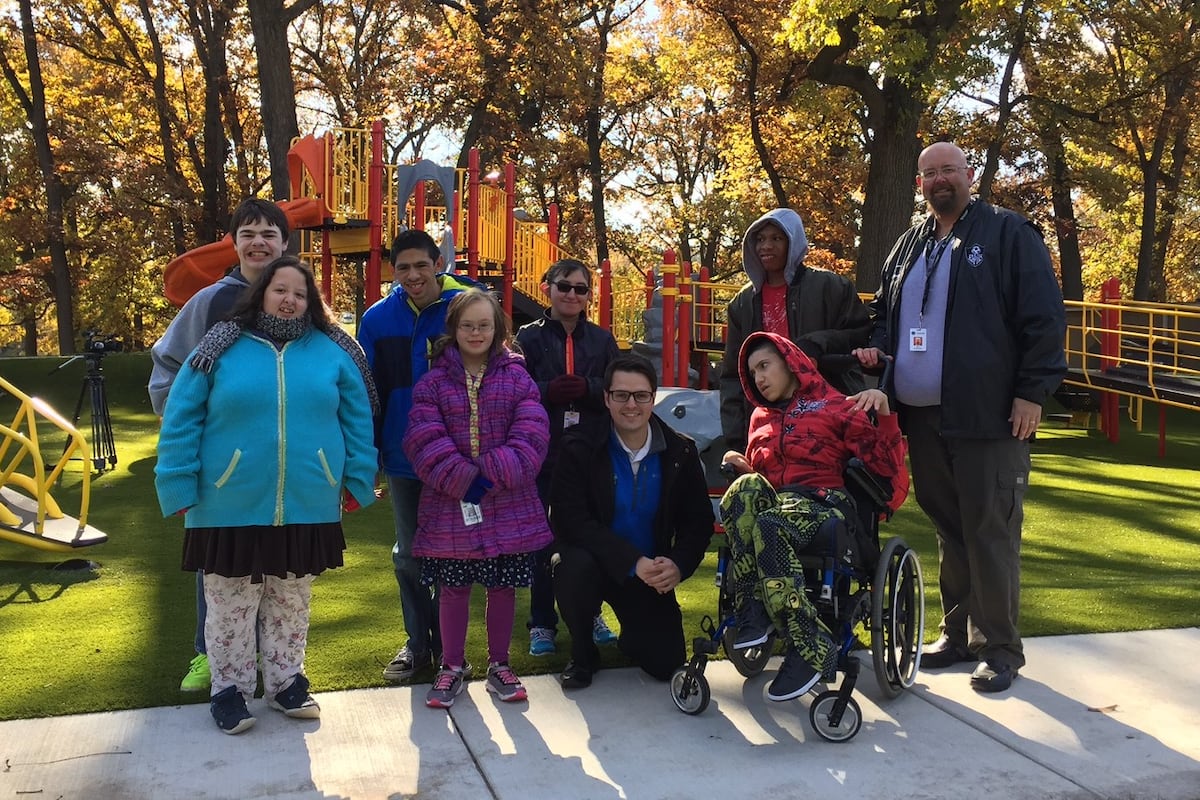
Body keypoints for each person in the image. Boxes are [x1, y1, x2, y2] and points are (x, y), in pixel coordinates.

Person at [854, 141, 1066, 693]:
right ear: (919, 184)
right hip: (923, 419)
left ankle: (1000, 649)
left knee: (990, 531)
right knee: (950, 529)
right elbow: (884, 315)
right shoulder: (910, 243)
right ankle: (957, 636)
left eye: (949, 169)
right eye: (930, 173)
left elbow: (1043, 317)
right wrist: (878, 348)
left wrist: (1032, 392)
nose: (939, 179)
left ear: (969, 175)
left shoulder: (1007, 233)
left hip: (989, 416)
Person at [155, 256, 379, 734]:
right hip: (226, 501)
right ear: (261, 294)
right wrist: (176, 480)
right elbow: (181, 416)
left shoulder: (334, 350)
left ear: (311, 301)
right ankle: (229, 691)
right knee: (229, 604)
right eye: (281, 290)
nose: (289, 300)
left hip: (308, 499)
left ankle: (286, 683)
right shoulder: (219, 346)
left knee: (291, 600)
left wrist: (358, 477)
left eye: (300, 293)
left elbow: (358, 419)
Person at [147, 198, 290, 693]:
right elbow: (169, 365)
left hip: (283, 460)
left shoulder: (297, 298)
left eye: (269, 234)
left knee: (279, 563)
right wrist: (186, 423)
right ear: (234, 242)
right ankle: (209, 654)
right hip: (221, 460)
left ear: (285, 243)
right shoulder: (210, 302)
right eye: (248, 233)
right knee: (218, 558)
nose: (258, 243)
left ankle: (274, 660)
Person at [720, 332, 908, 701]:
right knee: (741, 493)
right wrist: (741, 464)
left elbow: (887, 471)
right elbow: (762, 479)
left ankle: (811, 644)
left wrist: (884, 412)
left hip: (824, 504)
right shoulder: (759, 416)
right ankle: (754, 609)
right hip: (776, 506)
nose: (759, 378)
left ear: (791, 363)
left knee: (770, 522)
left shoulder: (837, 406)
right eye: (753, 372)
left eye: (765, 366)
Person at [403, 288, 552, 708]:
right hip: (450, 504)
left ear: (498, 329)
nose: (476, 333)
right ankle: (452, 666)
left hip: (508, 504)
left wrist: (490, 476)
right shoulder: (433, 383)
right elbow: (423, 437)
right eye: (467, 325)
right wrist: (462, 479)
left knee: (502, 587)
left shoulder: (518, 379)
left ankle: (499, 665)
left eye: (484, 325)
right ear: (453, 329)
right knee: (453, 588)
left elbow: (532, 434)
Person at [549, 354, 714, 690]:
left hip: (647, 574)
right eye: (621, 395)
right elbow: (569, 520)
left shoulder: (681, 451)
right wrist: (631, 560)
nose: (631, 405)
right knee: (570, 565)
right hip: (595, 564)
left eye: (640, 395)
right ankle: (583, 652)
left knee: (665, 664)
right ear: (606, 398)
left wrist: (678, 565)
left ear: (653, 398)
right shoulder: (578, 445)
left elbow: (698, 523)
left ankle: (633, 637)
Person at [358, 229, 479, 683]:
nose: (413, 275)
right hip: (401, 457)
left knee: (453, 554)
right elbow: (367, 393)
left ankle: (451, 650)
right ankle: (417, 644)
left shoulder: (464, 308)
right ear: (394, 270)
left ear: (438, 264)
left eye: (421, 265)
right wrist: (369, 456)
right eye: (403, 267)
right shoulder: (377, 319)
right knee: (409, 555)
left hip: (454, 459)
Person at [514, 258, 621, 658]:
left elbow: (617, 386)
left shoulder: (602, 340)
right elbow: (513, 387)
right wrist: (548, 390)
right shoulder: (527, 337)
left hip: (590, 454)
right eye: (565, 286)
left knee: (588, 537)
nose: (572, 295)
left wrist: (588, 388)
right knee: (542, 541)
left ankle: (590, 614)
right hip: (541, 454)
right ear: (548, 288)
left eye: (581, 288)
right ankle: (542, 622)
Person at [720, 208, 871, 454]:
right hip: (769, 423)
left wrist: (816, 343)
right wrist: (736, 440)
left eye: (776, 238)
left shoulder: (831, 287)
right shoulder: (742, 303)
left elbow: (861, 334)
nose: (766, 246)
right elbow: (732, 374)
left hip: (827, 417)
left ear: (794, 242)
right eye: (760, 239)